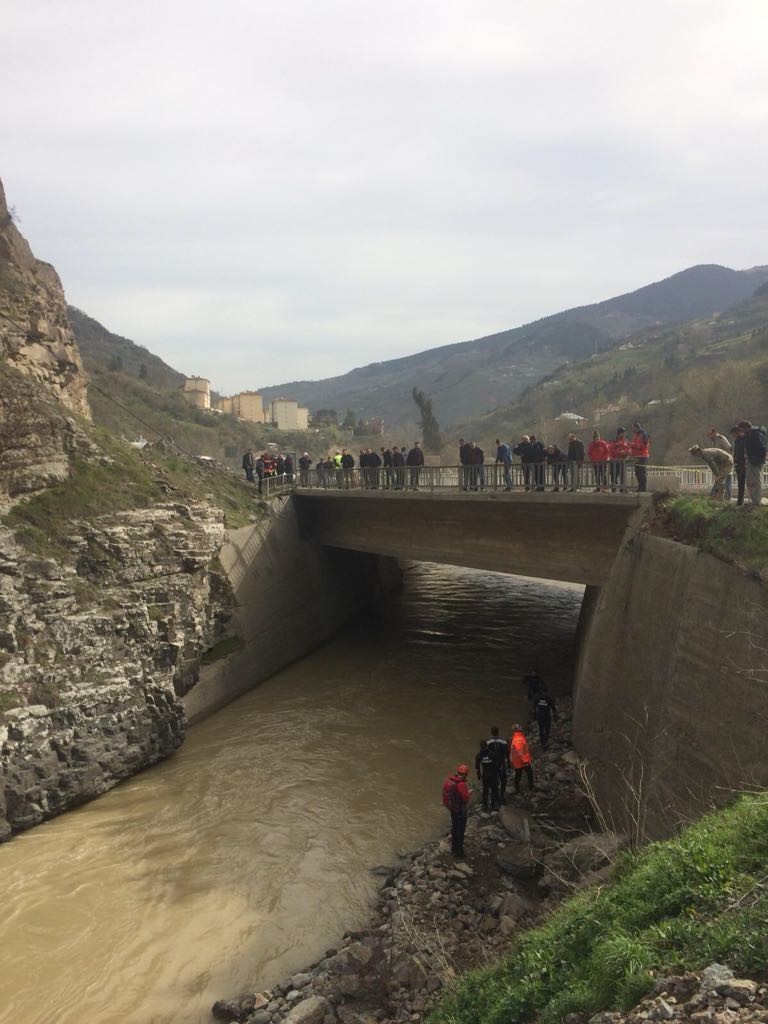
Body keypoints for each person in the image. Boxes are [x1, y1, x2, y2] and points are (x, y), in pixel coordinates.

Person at [442, 763, 471, 857]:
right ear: (466, 774)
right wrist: (469, 793)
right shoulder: (461, 784)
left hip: (453, 808)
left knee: (454, 828)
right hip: (460, 810)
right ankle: (459, 852)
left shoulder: (450, 780)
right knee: (460, 830)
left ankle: (453, 848)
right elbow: (465, 798)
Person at [738, 421, 767, 506]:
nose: (741, 431)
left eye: (742, 429)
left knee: (755, 481)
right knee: (749, 481)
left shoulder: (754, 434)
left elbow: (762, 448)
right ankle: (753, 500)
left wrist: (757, 459)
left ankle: (756, 501)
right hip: (751, 461)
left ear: (745, 427)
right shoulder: (749, 434)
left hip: (755, 461)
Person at [707, 427, 733, 500]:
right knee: (720, 480)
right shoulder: (713, 441)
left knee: (727, 479)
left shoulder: (721, 439)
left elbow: (729, 449)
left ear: (714, 433)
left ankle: (727, 496)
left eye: (710, 434)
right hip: (720, 464)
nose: (709, 436)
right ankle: (716, 496)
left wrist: (727, 459)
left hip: (726, 462)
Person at [475, 740, 500, 812]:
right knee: (494, 790)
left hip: (485, 776)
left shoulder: (479, 755)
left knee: (485, 791)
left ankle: (485, 806)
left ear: (480, 746)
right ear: (486, 745)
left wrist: (479, 775)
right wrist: (497, 773)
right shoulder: (492, 754)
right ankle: (493, 805)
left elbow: (477, 767)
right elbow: (497, 765)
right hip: (492, 775)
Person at [487, 726, 509, 805]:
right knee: (503, 781)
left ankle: (494, 798)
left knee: (494, 782)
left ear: (491, 733)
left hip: (493, 765)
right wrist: (509, 764)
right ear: (498, 732)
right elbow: (507, 754)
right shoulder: (503, 742)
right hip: (501, 765)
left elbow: (487, 755)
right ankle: (502, 796)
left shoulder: (488, 743)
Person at [509, 725, 534, 793]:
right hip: (521, 762)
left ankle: (518, 790)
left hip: (518, 761)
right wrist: (525, 761)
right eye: (520, 726)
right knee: (529, 774)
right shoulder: (518, 739)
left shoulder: (517, 737)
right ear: (517, 729)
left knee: (518, 775)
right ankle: (530, 788)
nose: (521, 727)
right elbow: (519, 751)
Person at [608, 427, 630, 492]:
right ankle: (613, 488)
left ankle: (622, 488)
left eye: (624, 433)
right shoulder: (613, 441)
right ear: (619, 434)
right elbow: (611, 450)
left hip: (622, 461)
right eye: (623, 433)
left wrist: (626, 453)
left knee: (622, 475)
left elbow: (629, 449)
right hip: (614, 461)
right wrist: (620, 452)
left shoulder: (626, 441)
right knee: (614, 475)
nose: (624, 434)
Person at [630, 422, 650, 492]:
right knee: (637, 473)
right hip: (636, 457)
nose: (632, 430)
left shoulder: (644, 434)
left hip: (642, 456)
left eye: (633, 428)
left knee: (642, 473)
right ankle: (640, 487)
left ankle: (643, 489)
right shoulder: (636, 435)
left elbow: (644, 446)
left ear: (637, 427)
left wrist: (633, 445)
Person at [731, 424, 747, 506]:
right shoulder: (737, 440)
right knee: (740, 483)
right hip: (738, 464)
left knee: (746, 482)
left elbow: (744, 452)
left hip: (744, 463)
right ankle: (740, 501)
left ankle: (743, 501)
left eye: (733, 434)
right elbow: (736, 452)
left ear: (737, 432)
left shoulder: (745, 439)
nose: (733, 436)